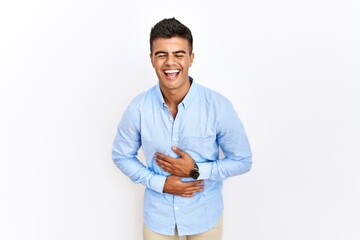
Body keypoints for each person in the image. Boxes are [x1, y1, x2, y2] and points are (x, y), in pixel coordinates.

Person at [112, 17, 252, 240]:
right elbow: (121, 156)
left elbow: (243, 160)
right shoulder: (138, 108)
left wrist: (196, 171)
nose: (170, 63)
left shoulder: (217, 106)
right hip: (158, 220)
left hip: (205, 217)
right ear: (152, 59)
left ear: (191, 58)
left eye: (178, 54)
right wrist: (161, 183)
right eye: (161, 55)